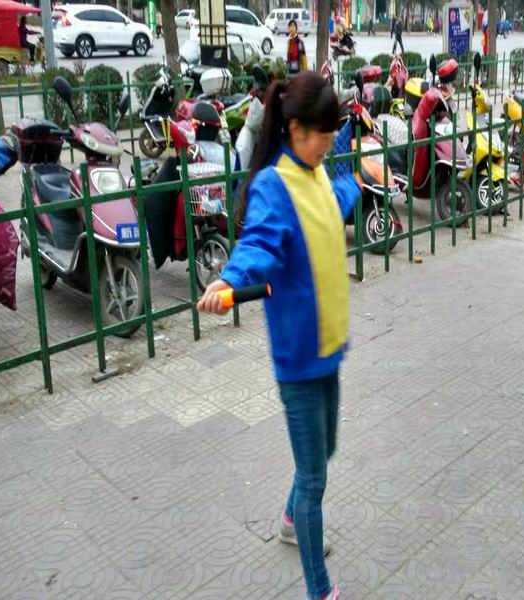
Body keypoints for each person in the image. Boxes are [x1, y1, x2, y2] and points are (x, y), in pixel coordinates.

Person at [197, 71, 361, 600]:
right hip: (298, 358)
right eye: (322, 135)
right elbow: (259, 242)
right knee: (314, 478)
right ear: (295, 129)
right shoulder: (274, 185)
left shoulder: (315, 172)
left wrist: (358, 183)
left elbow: (331, 202)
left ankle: (291, 519)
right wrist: (230, 279)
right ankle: (320, 590)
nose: (327, 144)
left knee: (324, 452)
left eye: (332, 136)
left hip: (328, 348)